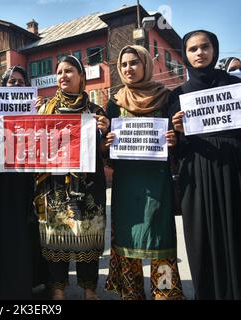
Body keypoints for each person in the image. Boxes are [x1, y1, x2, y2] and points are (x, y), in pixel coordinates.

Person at [103, 45, 184, 300]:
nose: (128, 68)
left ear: (146, 65)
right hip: (126, 185)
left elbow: (178, 142)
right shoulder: (114, 103)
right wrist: (106, 143)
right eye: (124, 64)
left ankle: (165, 293)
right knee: (128, 241)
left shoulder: (167, 97)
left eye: (134, 63)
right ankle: (131, 294)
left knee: (160, 240)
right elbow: (107, 153)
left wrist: (175, 139)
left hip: (157, 183)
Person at [169, 30, 241, 300]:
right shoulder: (177, 96)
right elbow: (173, 147)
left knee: (235, 234)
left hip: (234, 170)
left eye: (205, 47)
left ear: (215, 50)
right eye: (193, 49)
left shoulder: (234, 87)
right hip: (196, 175)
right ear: (185, 55)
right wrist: (177, 131)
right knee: (202, 239)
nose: (200, 53)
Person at [34, 55, 109, 300]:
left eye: (69, 71)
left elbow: (105, 152)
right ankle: (58, 289)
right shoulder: (45, 109)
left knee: (88, 236)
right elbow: (35, 145)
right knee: (56, 237)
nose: (63, 76)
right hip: (54, 184)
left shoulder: (95, 112)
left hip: (88, 184)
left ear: (81, 76)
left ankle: (89, 289)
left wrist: (106, 132)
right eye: (59, 72)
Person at [0, 65, 45, 299]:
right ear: (3, 86)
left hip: (24, 179)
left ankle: (26, 281)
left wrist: (39, 116)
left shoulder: (36, 109)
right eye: (11, 82)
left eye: (20, 82)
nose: (16, 86)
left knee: (23, 230)